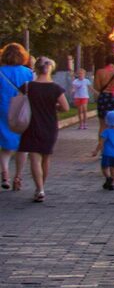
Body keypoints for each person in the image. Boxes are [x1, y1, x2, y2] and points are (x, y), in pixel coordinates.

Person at [18, 57, 68, 202]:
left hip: (31, 125)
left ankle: (39, 189)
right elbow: (65, 107)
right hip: (49, 125)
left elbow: (19, 103)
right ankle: (41, 187)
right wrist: (53, 105)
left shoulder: (27, 86)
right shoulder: (56, 88)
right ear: (50, 68)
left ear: (36, 68)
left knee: (34, 157)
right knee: (46, 157)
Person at [0, 42, 33, 192]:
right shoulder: (28, 73)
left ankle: (5, 173)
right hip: (22, 112)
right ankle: (18, 177)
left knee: (5, 146)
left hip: (3, 110)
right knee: (22, 147)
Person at [93, 109, 114, 190]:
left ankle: (108, 177)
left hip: (106, 153)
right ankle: (112, 183)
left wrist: (96, 151)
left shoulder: (106, 132)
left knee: (104, 167)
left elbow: (101, 143)